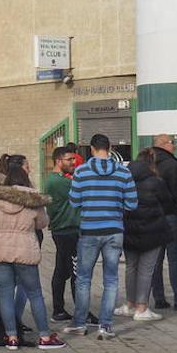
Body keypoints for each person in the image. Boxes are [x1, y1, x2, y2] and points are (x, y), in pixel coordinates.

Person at [0, 162, 64, 350]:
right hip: (25, 249)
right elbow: (42, 223)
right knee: (35, 293)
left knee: (5, 293)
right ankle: (44, 336)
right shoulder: (33, 199)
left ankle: (11, 337)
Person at [67, 133, 137, 340]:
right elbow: (132, 204)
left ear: (91, 149)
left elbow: (73, 202)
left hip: (89, 230)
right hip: (114, 231)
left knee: (83, 279)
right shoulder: (124, 172)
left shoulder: (81, 171)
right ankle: (105, 326)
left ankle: (80, 323)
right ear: (111, 147)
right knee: (111, 280)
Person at [113, 148, 174, 322]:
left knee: (131, 267)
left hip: (129, 229)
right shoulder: (156, 181)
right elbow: (168, 202)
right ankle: (142, 307)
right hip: (152, 230)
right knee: (147, 269)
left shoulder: (124, 179)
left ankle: (130, 304)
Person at [43, 147, 88, 322]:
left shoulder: (57, 180)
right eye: (69, 160)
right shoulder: (58, 182)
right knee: (77, 272)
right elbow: (84, 189)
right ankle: (82, 313)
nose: (73, 163)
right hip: (68, 231)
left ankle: (58, 310)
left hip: (63, 230)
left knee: (61, 271)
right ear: (58, 161)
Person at [148, 133, 177, 310]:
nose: (175, 146)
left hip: (153, 216)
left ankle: (159, 298)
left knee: (156, 259)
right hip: (171, 215)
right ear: (163, 145)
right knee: (176, 258)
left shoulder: (148, 163)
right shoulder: (173, 165)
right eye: (172, 142)